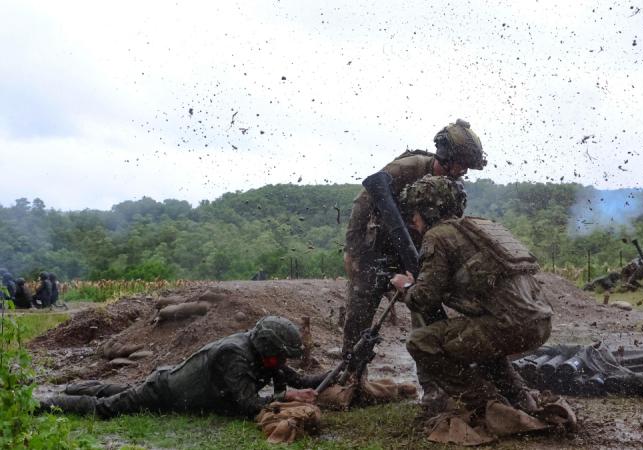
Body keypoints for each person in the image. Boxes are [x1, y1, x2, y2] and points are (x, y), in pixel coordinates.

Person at [342, 119, 486, 399]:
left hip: (418, 252)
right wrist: (353, 249)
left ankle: (433, 387)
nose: (461, 172)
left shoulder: (453, 187)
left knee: (425, 313)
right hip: (377, 249)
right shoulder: (410, 168)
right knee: (359, 314)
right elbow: (365, 199)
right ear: (444, 155)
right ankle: (352, 380)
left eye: (466, 167)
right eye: (458, 164)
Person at [389, 175, 552, 418]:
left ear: (428, 210)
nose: (413, 219)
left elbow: (424, 298)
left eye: (415, 211)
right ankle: (520, 398)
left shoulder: (437, 235)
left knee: (421, 342)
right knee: (478, 342)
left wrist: (406, 287)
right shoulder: (479, 228)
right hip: (539, 324)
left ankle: (488, 406)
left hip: (511, 326)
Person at [38, 316, 326, 418]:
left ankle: (72, 387)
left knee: (120, 390)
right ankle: (44, 402)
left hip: (168, 385)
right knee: (107, 408)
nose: (283, 363)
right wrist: (285, 397)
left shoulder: (263, 356)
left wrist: (346, 369)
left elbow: (301, 380)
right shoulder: (234, 355)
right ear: (268, 348)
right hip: (163, 392)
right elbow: (248, 406)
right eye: (281, 356)